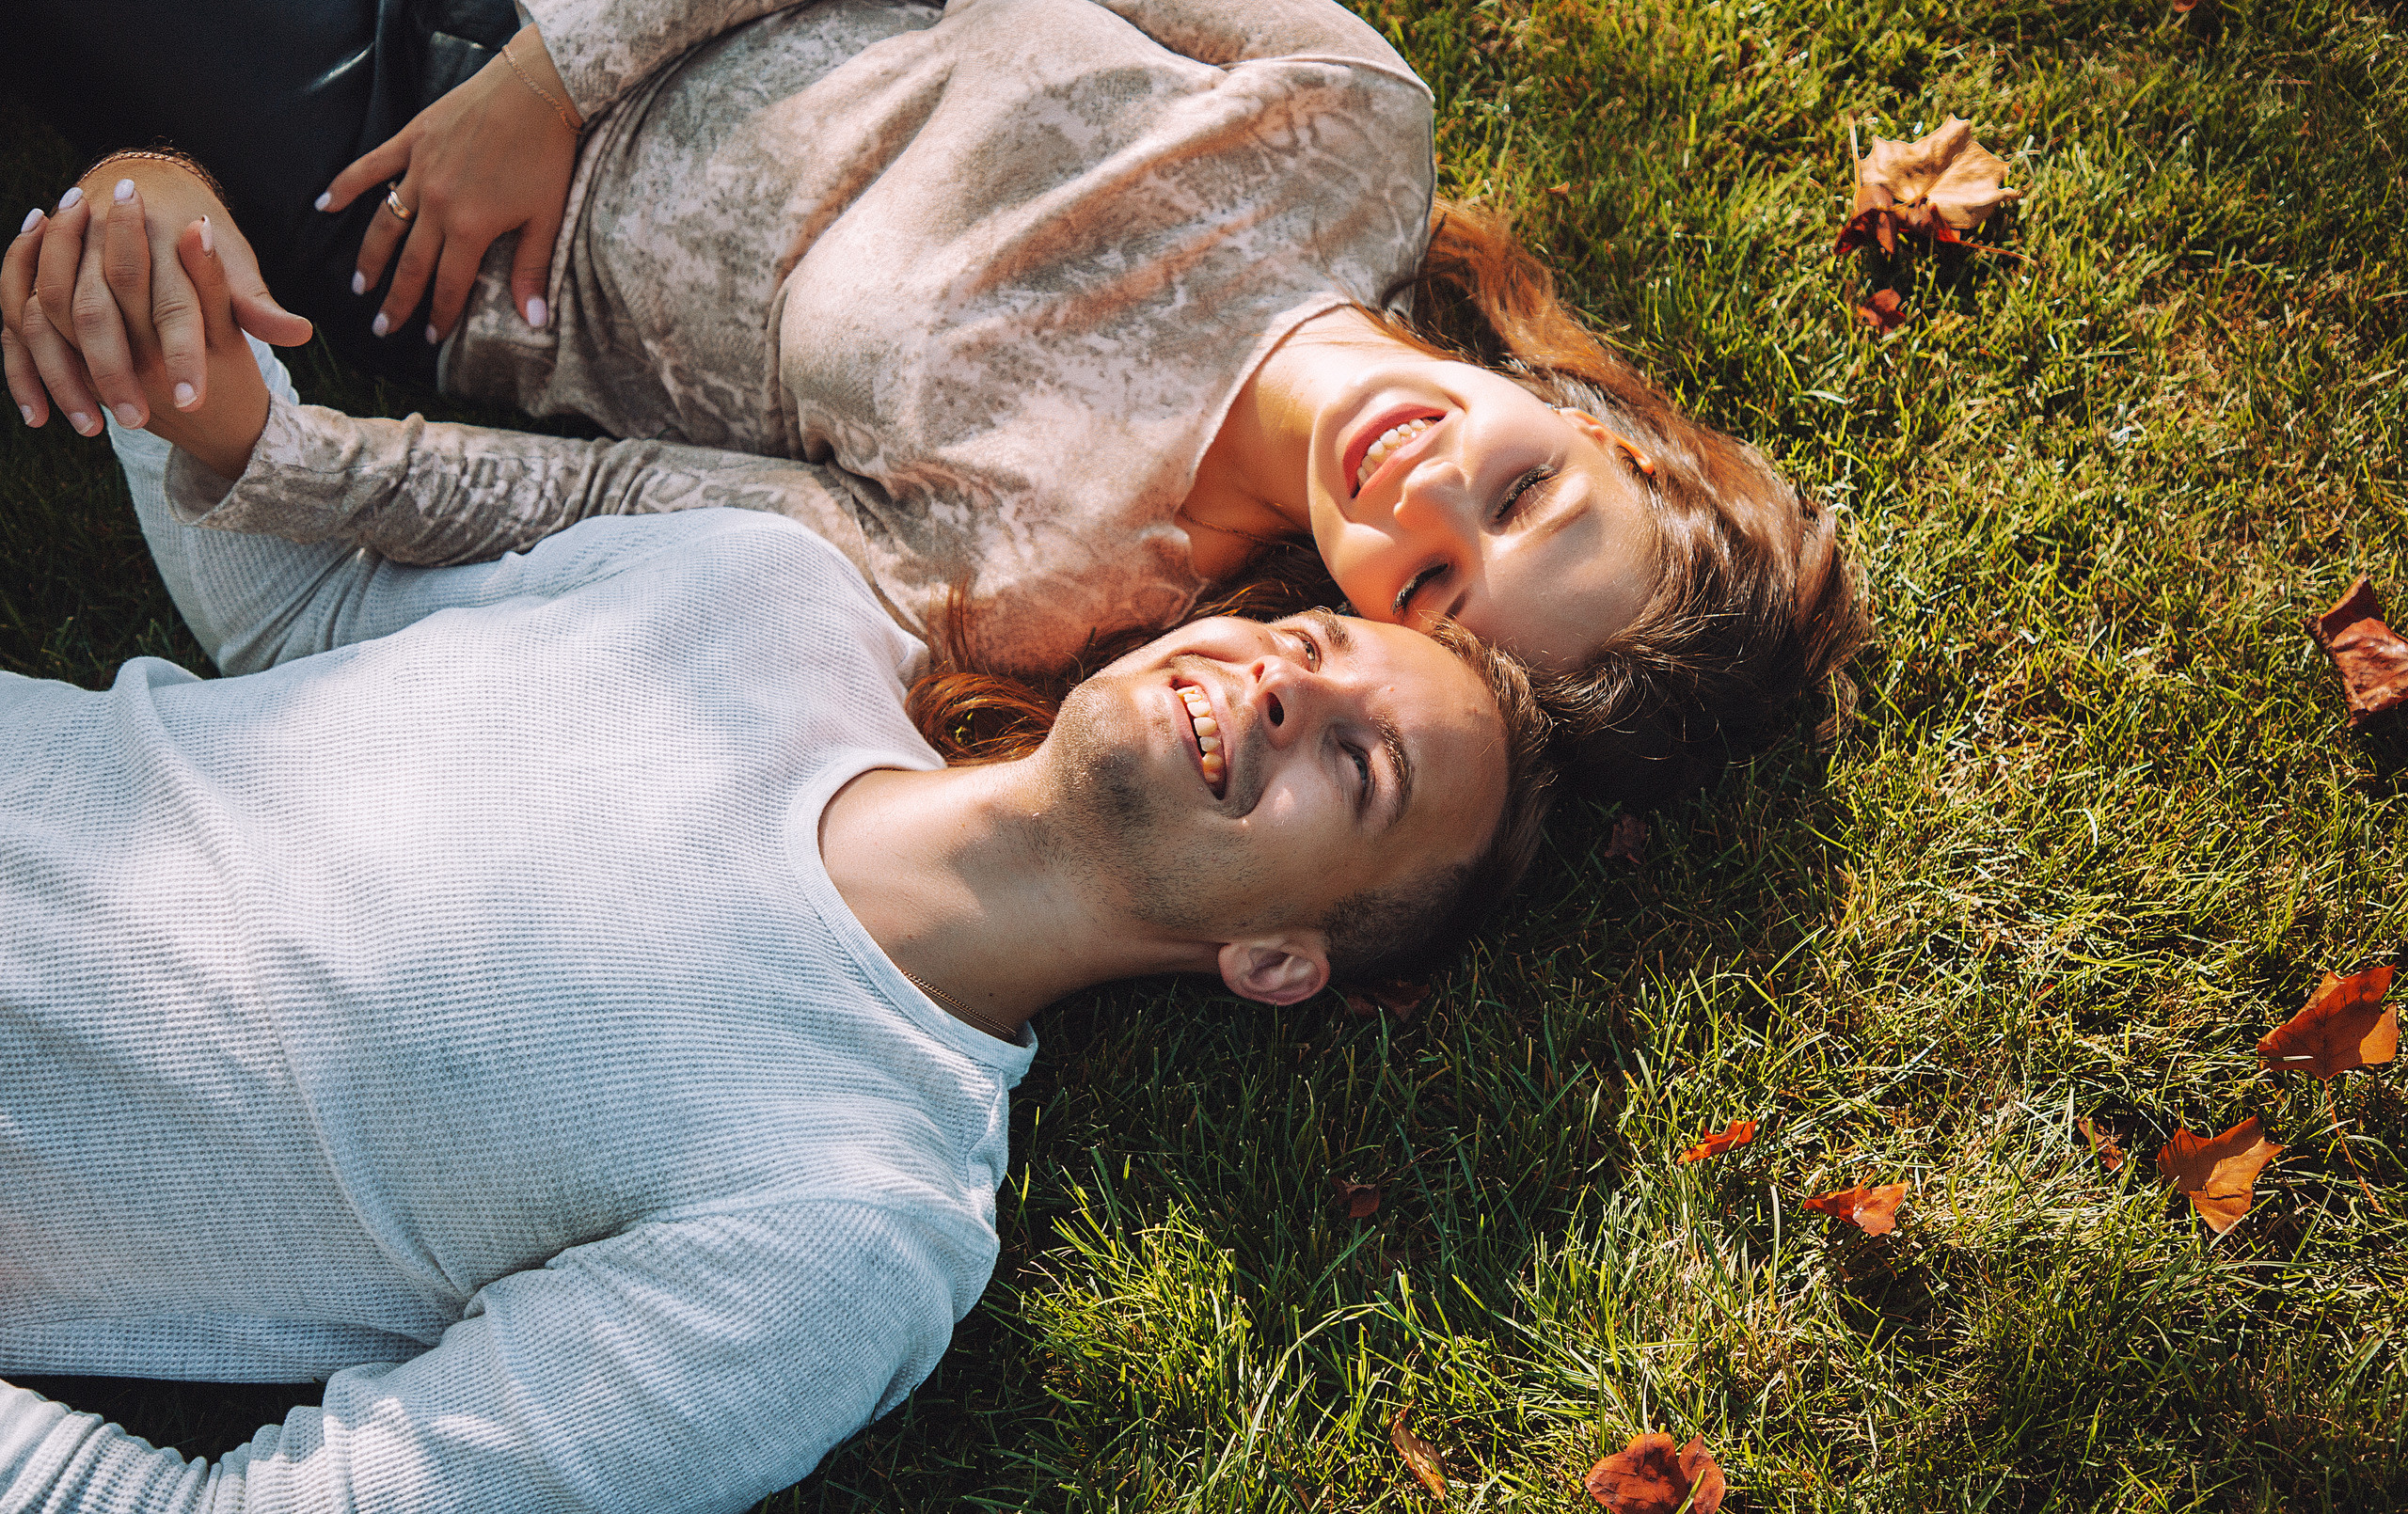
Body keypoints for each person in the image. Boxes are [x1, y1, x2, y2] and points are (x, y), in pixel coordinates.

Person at [0, 229, 1553, 1514]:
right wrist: (158, 297)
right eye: (1307, 638)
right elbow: (310, 629)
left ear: (1280, 958)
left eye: (1361, 768)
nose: (1288, 691)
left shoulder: (848, 1225)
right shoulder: (769, 593)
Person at [0, 0, 1864, 800]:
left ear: (1388, 632)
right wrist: (554, 69)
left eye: (1439, 585)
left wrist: (271, 448)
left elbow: (624, 496)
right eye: (1524, 481)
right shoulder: (1351, 126)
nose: (1427, 487)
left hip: (398, 194)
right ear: (1575, 409)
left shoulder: (1046, 593)